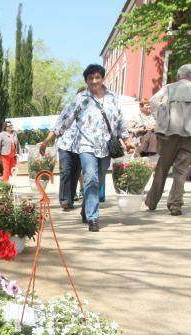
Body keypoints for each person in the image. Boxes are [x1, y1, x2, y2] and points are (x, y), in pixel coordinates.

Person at [40, 64, 132, 232]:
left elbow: (120, 122)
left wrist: (127, 141)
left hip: (106, 147)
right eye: (90, 78)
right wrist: (47, 140)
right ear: (86, 80)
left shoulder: (112, 98)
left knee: (99, 179)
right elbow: (64, 120)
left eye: (97, 77)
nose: (94, 81)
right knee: (90, 177)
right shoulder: (81, 98)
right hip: (86, 145)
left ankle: (86, 208)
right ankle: (93, 217)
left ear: (103, 78)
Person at [146, 64, 191, 216]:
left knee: (162, 168)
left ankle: (152, 202)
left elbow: (153, 101)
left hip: (168, 133)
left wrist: (159, 118)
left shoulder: (168, 88)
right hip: (190, 134)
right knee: (181, 171)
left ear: (179, 76)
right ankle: (175, 205)